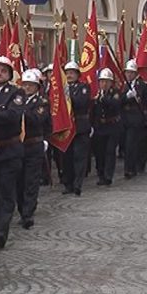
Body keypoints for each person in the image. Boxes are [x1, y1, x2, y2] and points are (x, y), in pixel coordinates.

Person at [0, 56, 23, 248]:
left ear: (9, 75)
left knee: (6, 192)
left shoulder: (16, 93)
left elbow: (11, 116)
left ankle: (2, 229)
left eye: (3, 71)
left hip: (9, 150)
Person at [17, 70, 51, 229]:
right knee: (19, 181)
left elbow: (38, 119)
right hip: (18, 146)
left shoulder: (42, 102)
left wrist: (22, 110)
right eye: (24, 85)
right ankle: (21, 208)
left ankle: (27, 213)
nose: (27, 88)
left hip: (33, 145)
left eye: (30, 85)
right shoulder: (17, 101)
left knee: (31, 181)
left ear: (37, 87)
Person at [61, 61, 92, 196]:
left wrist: (67, 96)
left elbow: (81, 102)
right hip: (66, 127)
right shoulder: (62, 88)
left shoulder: (83, 87)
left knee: (79, 157)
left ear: (77, 75)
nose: (69, 75)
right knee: (66, 157)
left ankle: (77, 184)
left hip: (80, 126)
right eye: (67, 73)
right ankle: (68, 183)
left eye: (72, 73)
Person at [121, 59, 147, 179]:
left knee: (136, 144)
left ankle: (133, 168)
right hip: (125, 120)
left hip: (138, 119)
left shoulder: (143, 86)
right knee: (128, 145)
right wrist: (126, 96)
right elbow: (118, 101)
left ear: (135, 73)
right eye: (127, 72)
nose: (128, 75)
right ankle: (130, 167)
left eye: (131, 73)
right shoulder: (124, 86)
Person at [91, 68, 122, 186]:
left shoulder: (115, 93)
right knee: (100, 152)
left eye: (106, 81)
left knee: (110, 151)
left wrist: (103, 98)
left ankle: (108, 175)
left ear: (110, 83)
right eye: (101, 81)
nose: (103, 84)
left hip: (112, 126)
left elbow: (115, 104)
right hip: (100, 126)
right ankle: (100, 174)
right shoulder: (97, 94)